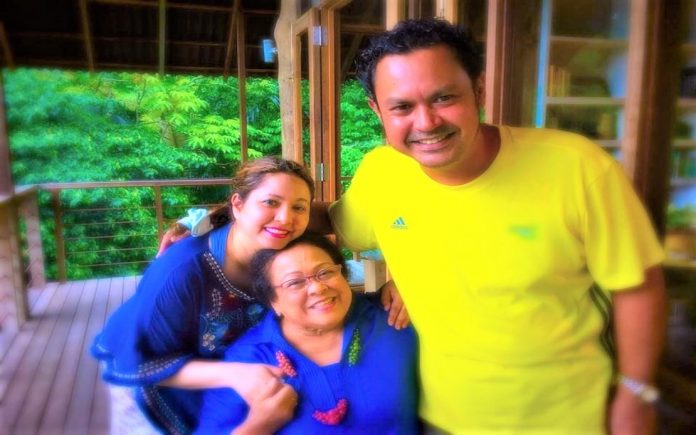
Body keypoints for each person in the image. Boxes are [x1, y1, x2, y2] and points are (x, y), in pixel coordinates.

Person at [311, 18, 667, 435]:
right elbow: (339, 223)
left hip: (568, 417)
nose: (426, 122)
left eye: (444, 97)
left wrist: (636, 394)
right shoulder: (381, 173)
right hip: (439, 416)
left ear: (478, 90)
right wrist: (262, 210)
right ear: (377, 110)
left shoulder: (577, 167)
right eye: (402, 107)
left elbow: (637, 285)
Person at [91, 156, 315, 434]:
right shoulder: (181, 271)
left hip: (227, 383)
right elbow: (141, 360)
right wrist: (236, 374)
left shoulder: (287, 245)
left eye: (299, 207)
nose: (285, 218)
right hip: (149, 385)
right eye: (270, 202)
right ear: (238, 205)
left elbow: (332, 215)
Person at [194, 232, 419, 434]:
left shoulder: (393, 318)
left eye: (325, 272)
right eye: (294, 283)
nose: (317, 288)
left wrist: (411, 286)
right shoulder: (247, 360)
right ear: (273, 302)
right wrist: (257, 426)